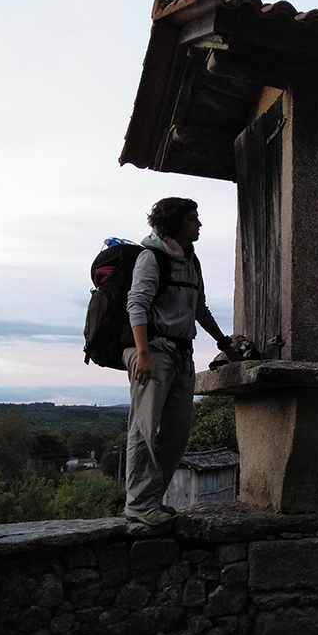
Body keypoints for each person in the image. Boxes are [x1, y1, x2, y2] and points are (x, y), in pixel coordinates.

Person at [123, 197, 232, 528]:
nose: (199, 224)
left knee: (177, 432)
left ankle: (153, 500)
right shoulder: (151, 257)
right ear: (175, 222)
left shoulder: (191, 261)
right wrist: (143, 354)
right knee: (145, 427)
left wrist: (224, 342)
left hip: (182, 353)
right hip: (152, 351)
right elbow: (137, 304)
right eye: (193, 218)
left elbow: (199, 308)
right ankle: (138, 505)